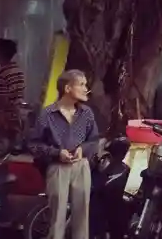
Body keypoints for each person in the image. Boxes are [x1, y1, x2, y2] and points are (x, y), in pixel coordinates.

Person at [30, 69, 100, 239]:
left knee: (82, 215)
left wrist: (83, 149)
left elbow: (95, 140)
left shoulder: (87, 114)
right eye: (81, 84)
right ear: (68, 88)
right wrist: (56, 153)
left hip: (81, 166)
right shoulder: (47, 114)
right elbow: (33, 144)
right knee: (57, 217)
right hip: (57, 167)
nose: (86, 89)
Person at [0, 38, 28, 160]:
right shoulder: (18, 70)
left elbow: (2, 101)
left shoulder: (2, 73)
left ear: (0, 53)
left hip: (5, 121)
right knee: (10, 154)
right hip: (17, 118)